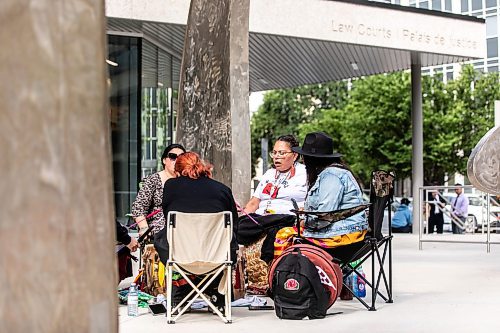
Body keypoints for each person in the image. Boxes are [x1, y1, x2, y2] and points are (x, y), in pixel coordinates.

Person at [162, 152, 239, 308]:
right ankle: (216, 292)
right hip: (216, 256)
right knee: (226, 240)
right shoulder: (222, 189)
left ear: (178, 171)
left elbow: (167, 216)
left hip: (181, 255)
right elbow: (234, 224)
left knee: (163, 238)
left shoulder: (170, 186)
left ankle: (180, 291)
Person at [274, 132, 368, 258]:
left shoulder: (331, 176)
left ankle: (283, 275)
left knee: (283, 234)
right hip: (344, 230)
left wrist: (303, 221)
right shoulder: (332, 173)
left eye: (304, 157)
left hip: (342, 235)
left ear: (311, 158)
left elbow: (324, 216)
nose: (303, 161)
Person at [237, 135, 307, 263]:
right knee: (239, 225)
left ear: (295, 155)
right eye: (274, 153)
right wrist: (244, 215)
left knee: (277, 226)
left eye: (282, 153)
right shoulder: (269, 174)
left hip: (287, 217)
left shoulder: (305, 173)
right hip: (262, 218)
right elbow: (254, 202)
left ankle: (268, 262)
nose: (276, 157)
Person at [131, 143, 186, 235]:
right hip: (158, 233)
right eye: (173, 156)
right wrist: (144, 228)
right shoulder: (153, 180)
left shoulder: (188, 180)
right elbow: (139, 207)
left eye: (181, 157)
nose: (176, 160)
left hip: (183, 232)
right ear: (164, 160)